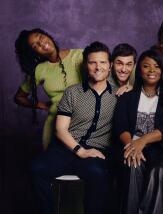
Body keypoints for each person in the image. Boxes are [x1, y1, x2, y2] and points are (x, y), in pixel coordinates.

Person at [31, 41, 117, 214]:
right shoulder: (72, 92)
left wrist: (88, 153)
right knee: (37, 168)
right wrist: (80, 151)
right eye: (92, 62)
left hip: (96, 152)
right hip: (66, 149)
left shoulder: (119, 95)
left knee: (98, 174)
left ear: (110, 66)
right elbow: (60, 129)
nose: (97, 67)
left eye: (102, 62)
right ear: (86, 65)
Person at [114, 49, 163, 214]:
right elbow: (121, 127)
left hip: (162, 148)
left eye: (156, 66)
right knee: (133, 165)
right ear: (139, 70)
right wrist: (132, 146)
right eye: (146, 66)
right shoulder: (127, 96)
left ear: (162, 70)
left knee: (158, 171)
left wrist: (142, 141)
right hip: (131, 146)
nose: (152, 71)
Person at [14, 28, 83, 149]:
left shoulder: (80, 55)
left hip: (83, 124)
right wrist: (43, 105)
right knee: (53, 166)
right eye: (35, 46)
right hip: (55, 127)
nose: (41, 43)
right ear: (34, 53)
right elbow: (19, 97)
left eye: (40, 37)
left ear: (47, 35)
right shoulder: (39, 70)